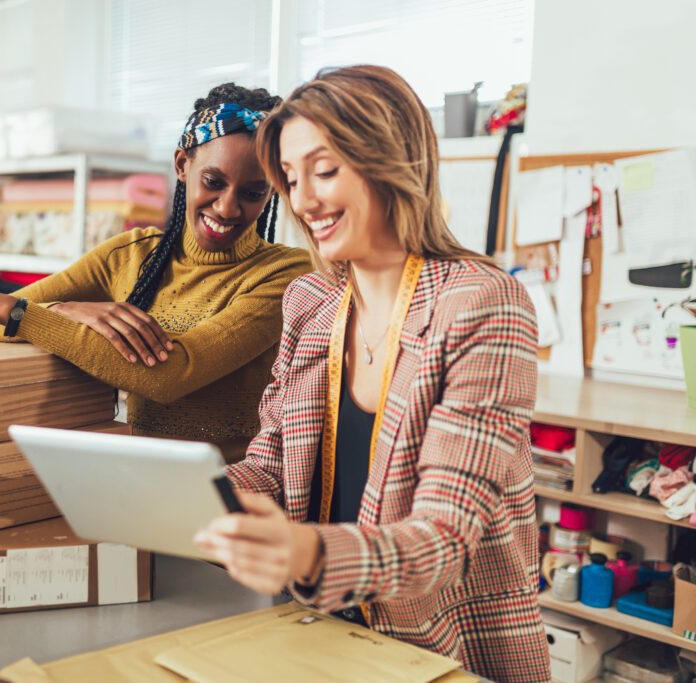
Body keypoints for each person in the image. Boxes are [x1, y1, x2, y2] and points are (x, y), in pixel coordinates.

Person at [193, 66, 550, 682]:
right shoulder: (311, 301)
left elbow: (444, 539)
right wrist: (199, 493)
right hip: (318, 632)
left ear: (390, 160)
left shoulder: (481, 303)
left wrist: (304, 553)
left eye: (325, 171)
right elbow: (271, 465)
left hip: (443, 647)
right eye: (292, 179)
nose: (304, 201)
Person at [0, 84, 311, 462]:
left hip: (232, 498)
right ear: (182, 165)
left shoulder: (286, 275)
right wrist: (65, 309)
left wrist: (21, 313)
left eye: (253, 193)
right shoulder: (131, 254)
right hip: (132, 485)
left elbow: (172, 374)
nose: (227, 208)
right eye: (213, 181)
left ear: (272, 191)